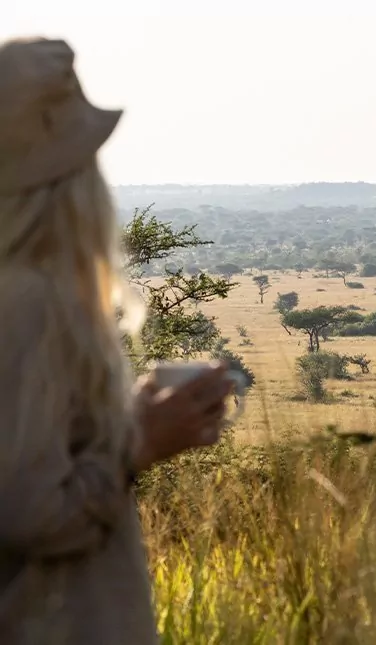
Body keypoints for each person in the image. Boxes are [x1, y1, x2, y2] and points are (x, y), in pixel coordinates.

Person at [0, 37, 232, 644]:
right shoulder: (30, 305)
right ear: (66, 177)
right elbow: (26, 510)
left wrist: (124, 422)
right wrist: (138, 444)